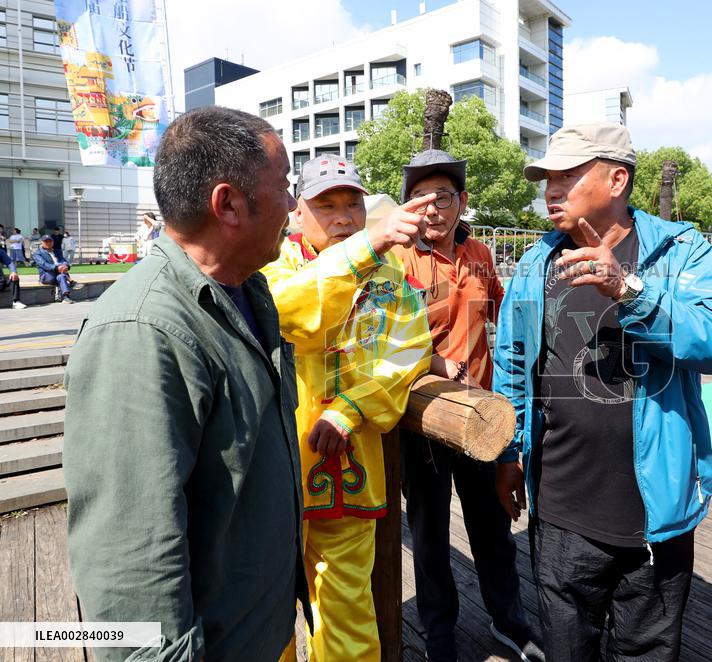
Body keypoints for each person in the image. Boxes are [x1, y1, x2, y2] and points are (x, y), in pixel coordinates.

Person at [63, 106, 310, 661]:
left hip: (258, 631)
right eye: (284, 186)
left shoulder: (246, 293)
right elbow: (129, 556)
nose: (293, 204)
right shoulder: (140, 331)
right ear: (229, 204)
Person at [493, 123, 712, 661]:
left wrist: (629, 291)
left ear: (616, 180)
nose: (551, 191)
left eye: (567, 176)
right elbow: (513, 362)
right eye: (547, 179)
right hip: (560, 512)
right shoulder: (536, 263)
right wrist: (509, 453)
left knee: (646, 652)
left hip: (656, 517)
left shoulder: (679, 251)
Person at [261, 156, 432, 662]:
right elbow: (287, 314)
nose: (343, 218)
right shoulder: (270, 266)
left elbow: (409, 349)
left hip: (351, 468)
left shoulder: (389, 272)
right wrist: (365, 248)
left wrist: (350, 409)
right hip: (275, 471)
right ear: (296, 212)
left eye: (353, 204)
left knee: (349, 610)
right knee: (266, 614)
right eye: (326, 206)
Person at [392, 150, 543, 662]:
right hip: (422, 419)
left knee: (493, 527)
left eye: (442, 198)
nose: (431, 209)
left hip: (481, 415)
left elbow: (507, 313)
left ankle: (508, 621)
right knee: (429, 535)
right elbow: (381, 339)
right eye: (419, 198)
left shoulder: (479, 252)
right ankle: (439, 634)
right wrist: (434, 361)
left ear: (462, 201)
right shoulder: (397, 258)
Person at [32, 235, 76, 303]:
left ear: (53, 242)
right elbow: (43, 264)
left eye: (50, 241)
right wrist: (56, 268)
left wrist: (66, 266)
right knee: (61, 273)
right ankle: (71, 281)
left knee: (62, 276)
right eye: (46, 241)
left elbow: (63, 260)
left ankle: (65, 297)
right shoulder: (37, 253)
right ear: (42, 242)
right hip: (46, 275)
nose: (48, 243)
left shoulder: (57, 251)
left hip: (59, 272)